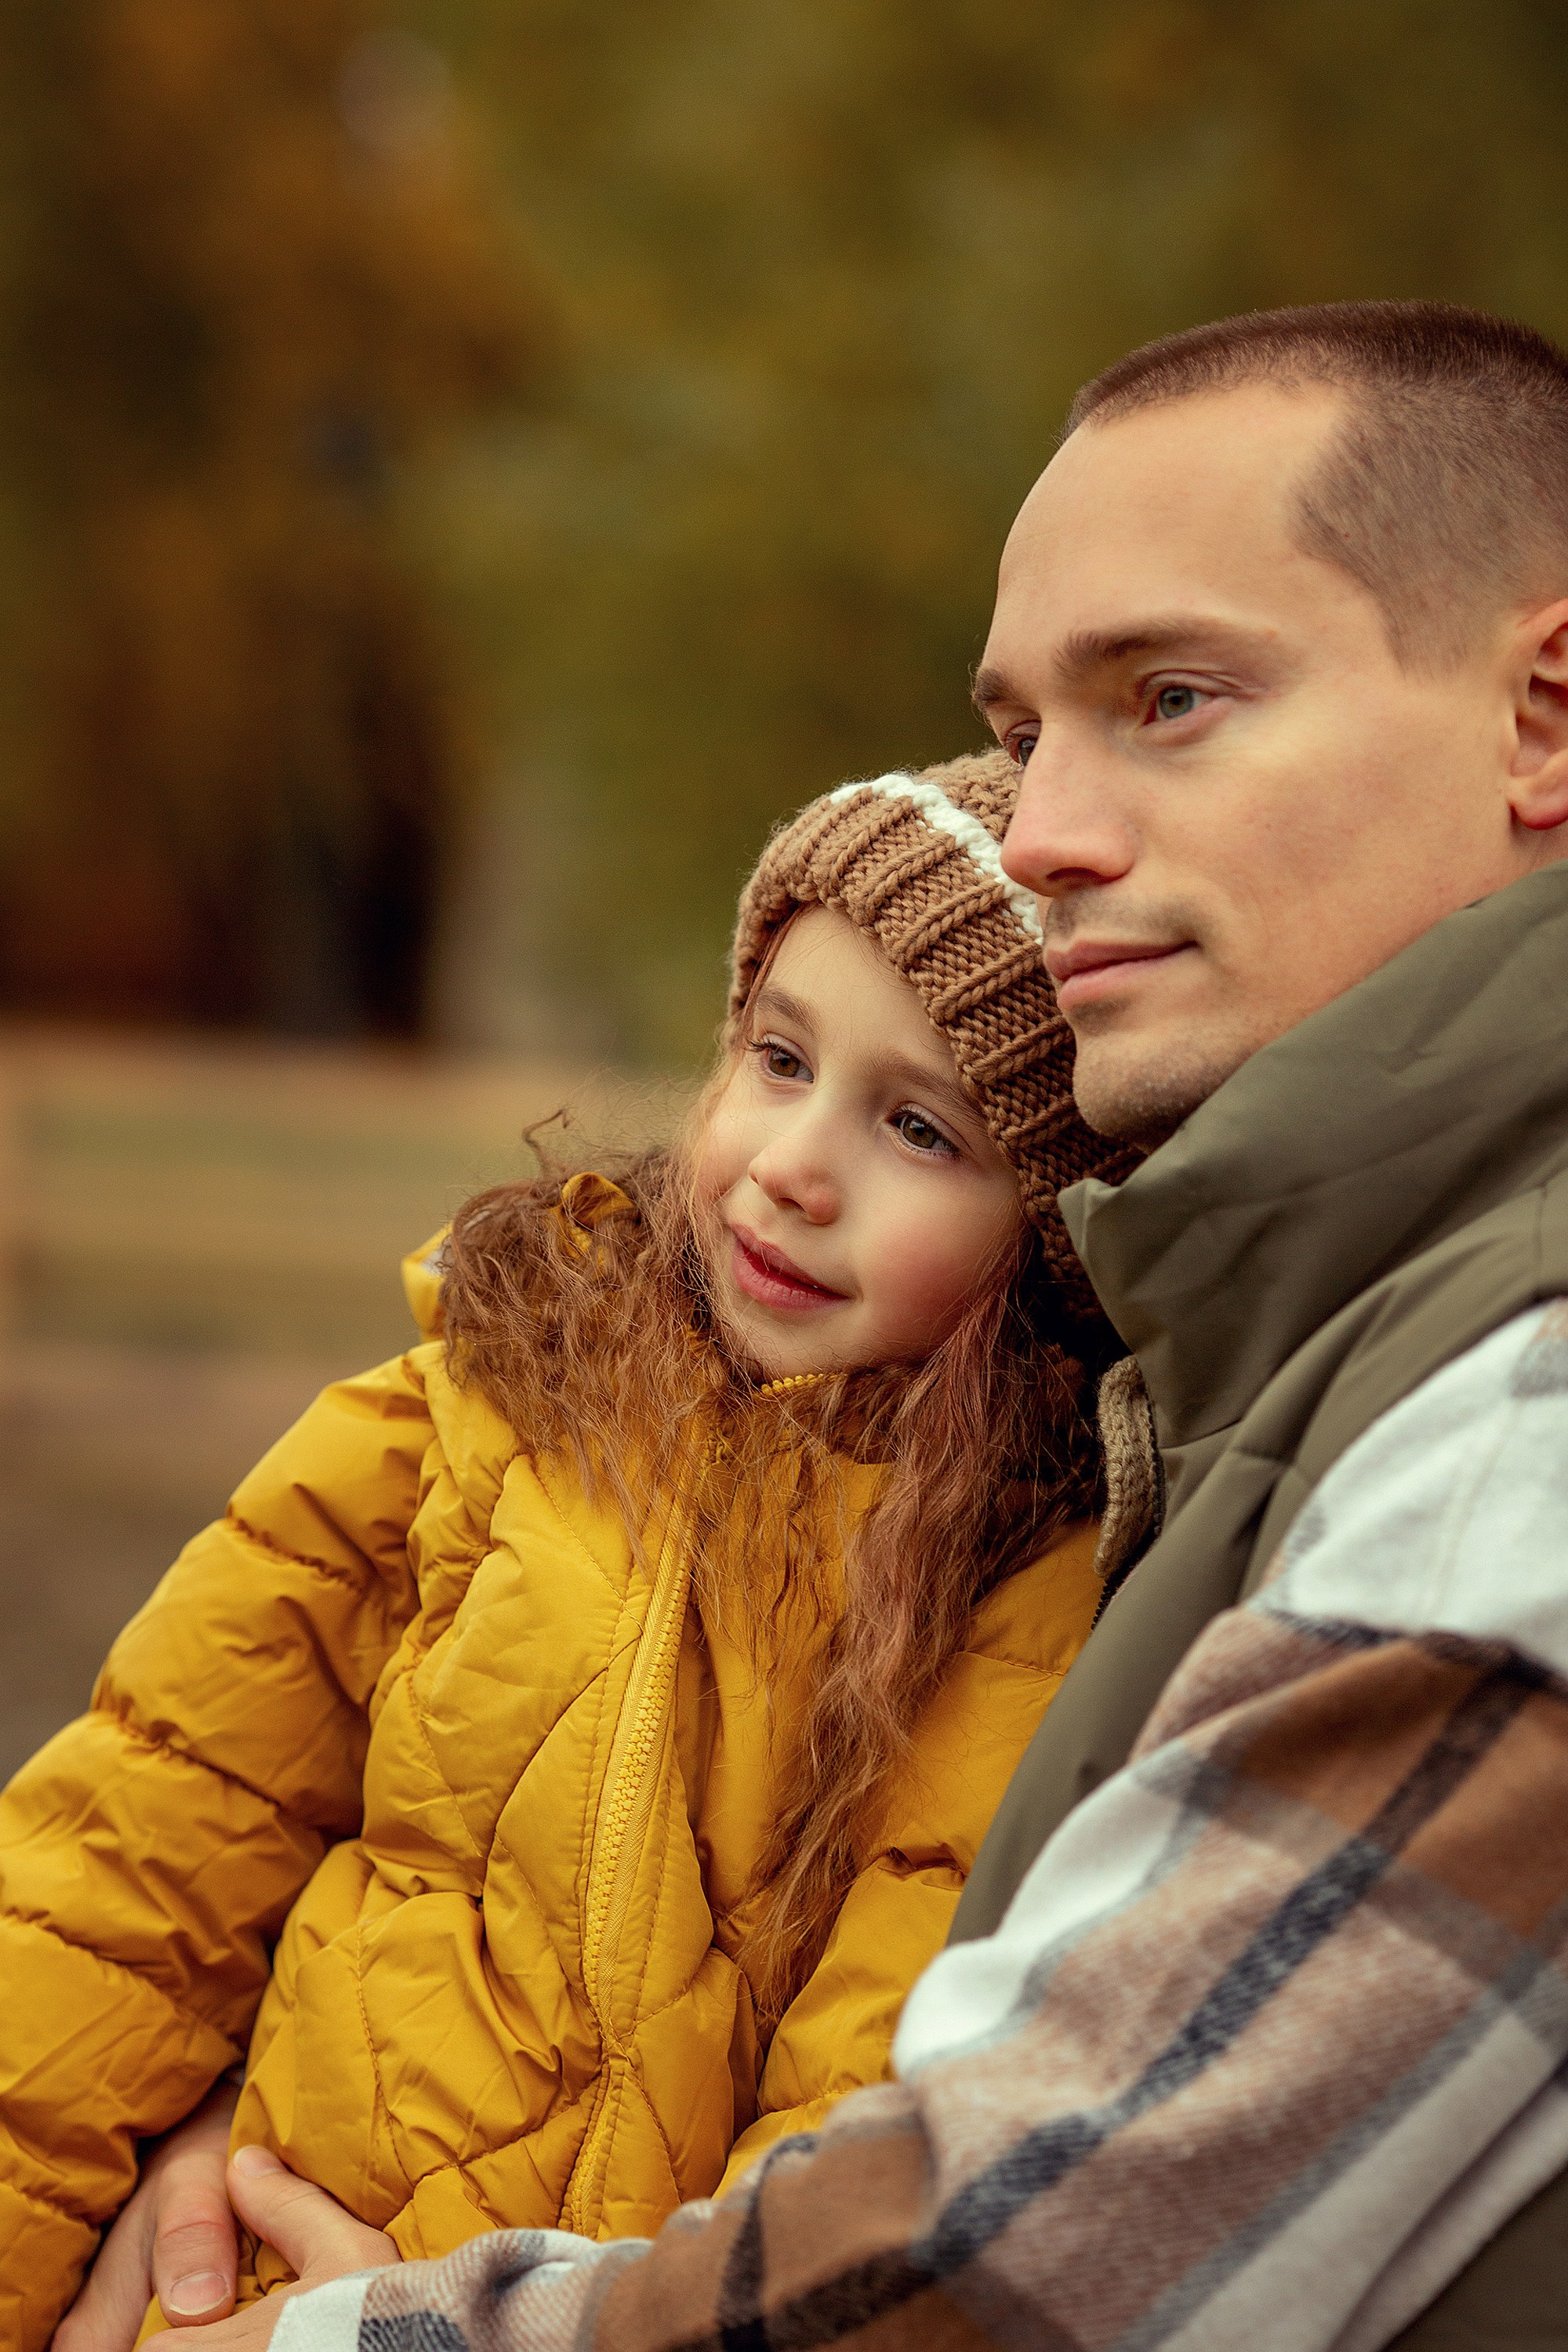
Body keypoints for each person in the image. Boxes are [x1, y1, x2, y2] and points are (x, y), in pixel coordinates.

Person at [172, 299, 1568, 2352]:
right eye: (1020, 738)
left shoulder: (1518, 1403)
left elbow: (1004, 2263)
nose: (1055, 832)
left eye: (1170, 697)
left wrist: (323, 2338)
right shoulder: (1283, 1354)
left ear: (1544, 721)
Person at [0, 753, 1135, 2352]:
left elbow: (856, 2129)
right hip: (224, 2282)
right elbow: (130, 1856)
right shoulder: (477, 1404)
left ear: (1051, 1223)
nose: (796, 1163)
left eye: (920, 1130)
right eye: (779, 1056)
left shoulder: (1022, 1604)